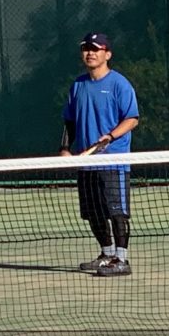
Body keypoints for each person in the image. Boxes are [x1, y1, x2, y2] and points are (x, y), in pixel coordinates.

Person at [60, 32, 141, 277]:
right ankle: (107, 254)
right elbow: (70, 121)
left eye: (96, 49)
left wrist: (110, 137)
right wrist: (65, 148)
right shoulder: (78, 85)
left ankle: (122, 259)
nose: (90, 53)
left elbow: (132, 119)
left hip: (114, 161)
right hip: (87, 163)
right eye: (86, 48)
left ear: (107, 54)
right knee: (93, 212)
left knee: (117, 212)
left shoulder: (119, 84)